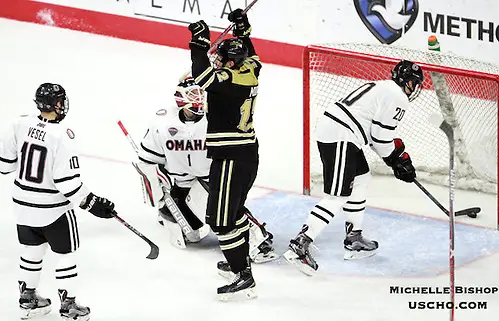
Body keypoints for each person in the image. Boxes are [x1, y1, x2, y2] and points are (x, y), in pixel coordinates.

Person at [284, 60, 424, 275]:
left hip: (342, 132)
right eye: (414, 83)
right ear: (407, 81)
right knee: (337, 196)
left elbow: (377, 136)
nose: (414, 88)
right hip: (342, 134)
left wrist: (395, 159)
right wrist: (397, 160)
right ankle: (299, 244)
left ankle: (354, 239)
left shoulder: (383, 87)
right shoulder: (398, 97)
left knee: (361, 178)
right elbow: (381, 137)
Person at [0, 83, 116, 320]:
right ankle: (69, 305)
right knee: (65, 255)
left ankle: (28, 298)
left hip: (22, 205)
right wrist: (93, 203)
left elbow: (4, 165)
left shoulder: (19, 124)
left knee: (30, 252)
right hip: (53, 210)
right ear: (57, 105)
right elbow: (68, 184)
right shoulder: (63, 136)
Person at [134, 76, 277, 265]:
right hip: (181, 184)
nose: (199, 99)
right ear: (180, 98)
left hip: (213, 180)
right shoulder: (162, 123)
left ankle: (256, 239)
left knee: (223, 215)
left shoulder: (215, 118)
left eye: (201, 93)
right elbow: (146, 161)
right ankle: (172, 212)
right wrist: (159, 192)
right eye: (193, 94)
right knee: (190, 236)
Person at [187, 9, 262, 300]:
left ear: (231, 62)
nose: (217, 60)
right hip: (245, 153)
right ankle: (239, 259)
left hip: (232, 156)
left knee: (221, 221)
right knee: (232, 212)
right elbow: (251, 52)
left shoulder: (226, 82)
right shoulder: (251, 68)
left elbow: (202, 77)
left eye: (222, 58)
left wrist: (199, 44)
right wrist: (242, 28)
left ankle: (243, 276)